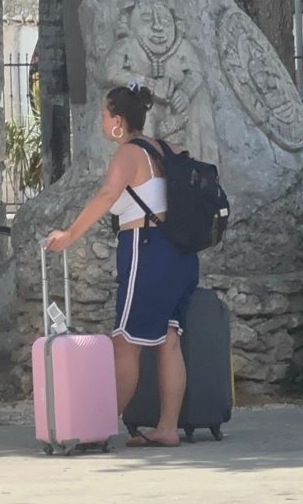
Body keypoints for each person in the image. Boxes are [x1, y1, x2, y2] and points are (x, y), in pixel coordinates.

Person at [45, 84, 199, 447]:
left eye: (103, 114)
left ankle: (96, 429)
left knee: (125, 343)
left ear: (118, 120)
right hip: (180, 254)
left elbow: (107, 196)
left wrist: (70, 234)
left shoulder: (129, 153)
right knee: (169, 341)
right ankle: (167, 428)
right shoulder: (165, 148)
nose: (100, 119)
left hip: (146, 249)